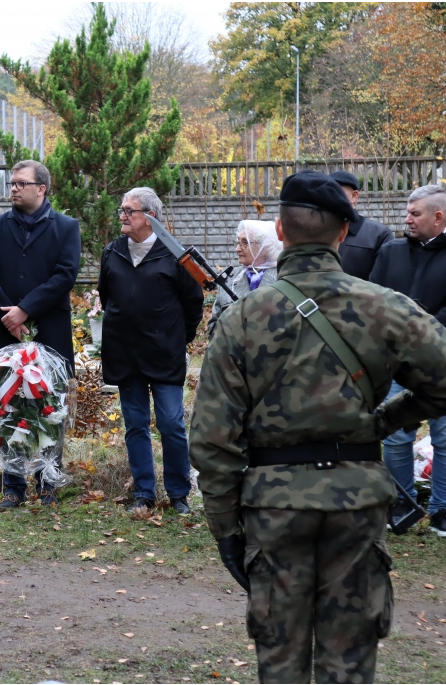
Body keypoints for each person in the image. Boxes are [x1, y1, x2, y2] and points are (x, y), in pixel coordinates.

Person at [190, 170, 446, 683]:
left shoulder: (243, 318)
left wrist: (226, 530)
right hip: (356, 504)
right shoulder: (386, 308)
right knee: (349, 661)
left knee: (281, 660)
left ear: (281, 232)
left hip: (273, 508)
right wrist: (381, 421)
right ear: (344, 233)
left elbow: (212, 439)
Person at [0, 160, 81, 510]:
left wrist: (26, 310)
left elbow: (64, 276)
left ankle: (48, 482)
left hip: (49, 330)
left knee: (49, 405)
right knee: (7, 405)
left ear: (42, 188)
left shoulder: (66, 228)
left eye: (21, 183)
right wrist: (11, 316)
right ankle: (13, 485)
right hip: (5, 331)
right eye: (11, 183)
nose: (13, 189)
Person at [97, 187, 203, 514]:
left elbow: (193, 303)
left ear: (151, 217)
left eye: (130, 211)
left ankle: (178, 493)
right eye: (122, 210)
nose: (123, 216)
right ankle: (144, 491)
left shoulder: (176, 256)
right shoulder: (112, 252)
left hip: (164, 355)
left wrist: (175, 337)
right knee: (136, 423)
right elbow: (106, 295)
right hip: (125, 353)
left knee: (171, 423)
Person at [370, 184, 446, 536]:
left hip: (442, 362)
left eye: (415, 213)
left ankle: (442, 508)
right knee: (396, 435)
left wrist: (423, 333)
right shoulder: (391, 251)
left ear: (438, 216)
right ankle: (402, 500)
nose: (407, 219)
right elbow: (374, 297)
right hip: (395, 362)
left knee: (444, 438)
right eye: (407, 212)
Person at [207, 220, 281, 338]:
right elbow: (213, 326)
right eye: (237, 242)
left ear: (264, 247)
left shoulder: (282, 278)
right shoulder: (230, 278)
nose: (237, 249)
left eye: (244, 243)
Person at [330, 170, 393, 281]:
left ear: (354, 196)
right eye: (328, 192)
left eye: (338, 192)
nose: (331, 198)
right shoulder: (316, 230)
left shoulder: (378, 234)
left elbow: (385, 281)